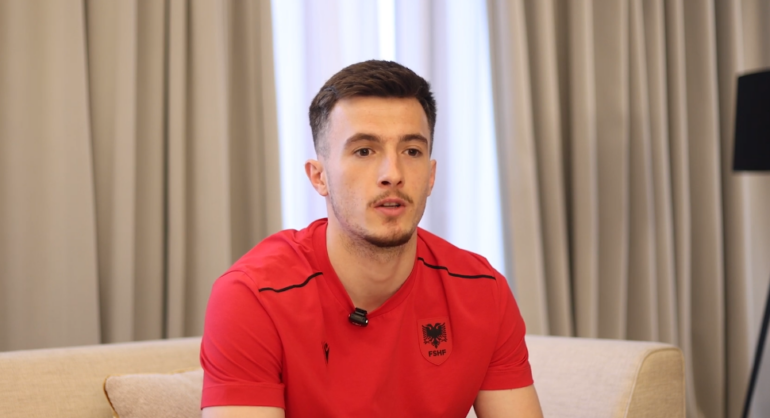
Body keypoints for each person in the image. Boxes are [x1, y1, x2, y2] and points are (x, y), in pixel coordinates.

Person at [200, 60, 543, 418]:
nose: (392, 174)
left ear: (430, 175)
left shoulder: (482, 291)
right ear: (319, 177)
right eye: (364, 150)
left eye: (411, 151)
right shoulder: (253, 296)